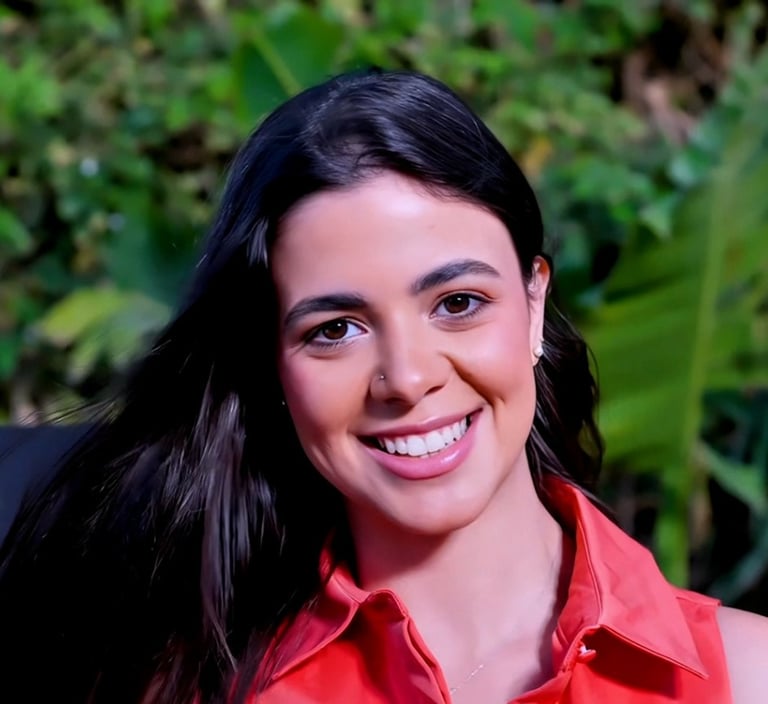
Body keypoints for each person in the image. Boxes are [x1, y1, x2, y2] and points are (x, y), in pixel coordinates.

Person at [0, 68, 766, 704]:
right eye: (335, 329)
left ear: (534, 306)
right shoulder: (184, 684)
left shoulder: (747, 678)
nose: (406, 377)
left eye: (458, 304)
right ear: (273, 362)